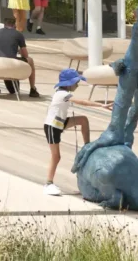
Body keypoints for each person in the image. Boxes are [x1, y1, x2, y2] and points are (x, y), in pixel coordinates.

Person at [43, 67, 103, 195]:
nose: (78, 84)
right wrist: (102, 105)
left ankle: (87, 146)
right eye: (76, 82)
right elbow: (82, 102)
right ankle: (48, 183)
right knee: (56, 156)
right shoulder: (62, 94)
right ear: (69, 83)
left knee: (83, 120)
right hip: (52, 126)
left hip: (60, 122)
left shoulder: (63, 93)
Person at [0, 14, 40, 98]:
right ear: (14, 25)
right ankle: (33, 89)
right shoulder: (18, 34)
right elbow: (25, 54)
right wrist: (18, 50)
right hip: (11, 64)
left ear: (4, 25)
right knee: (30, 60)